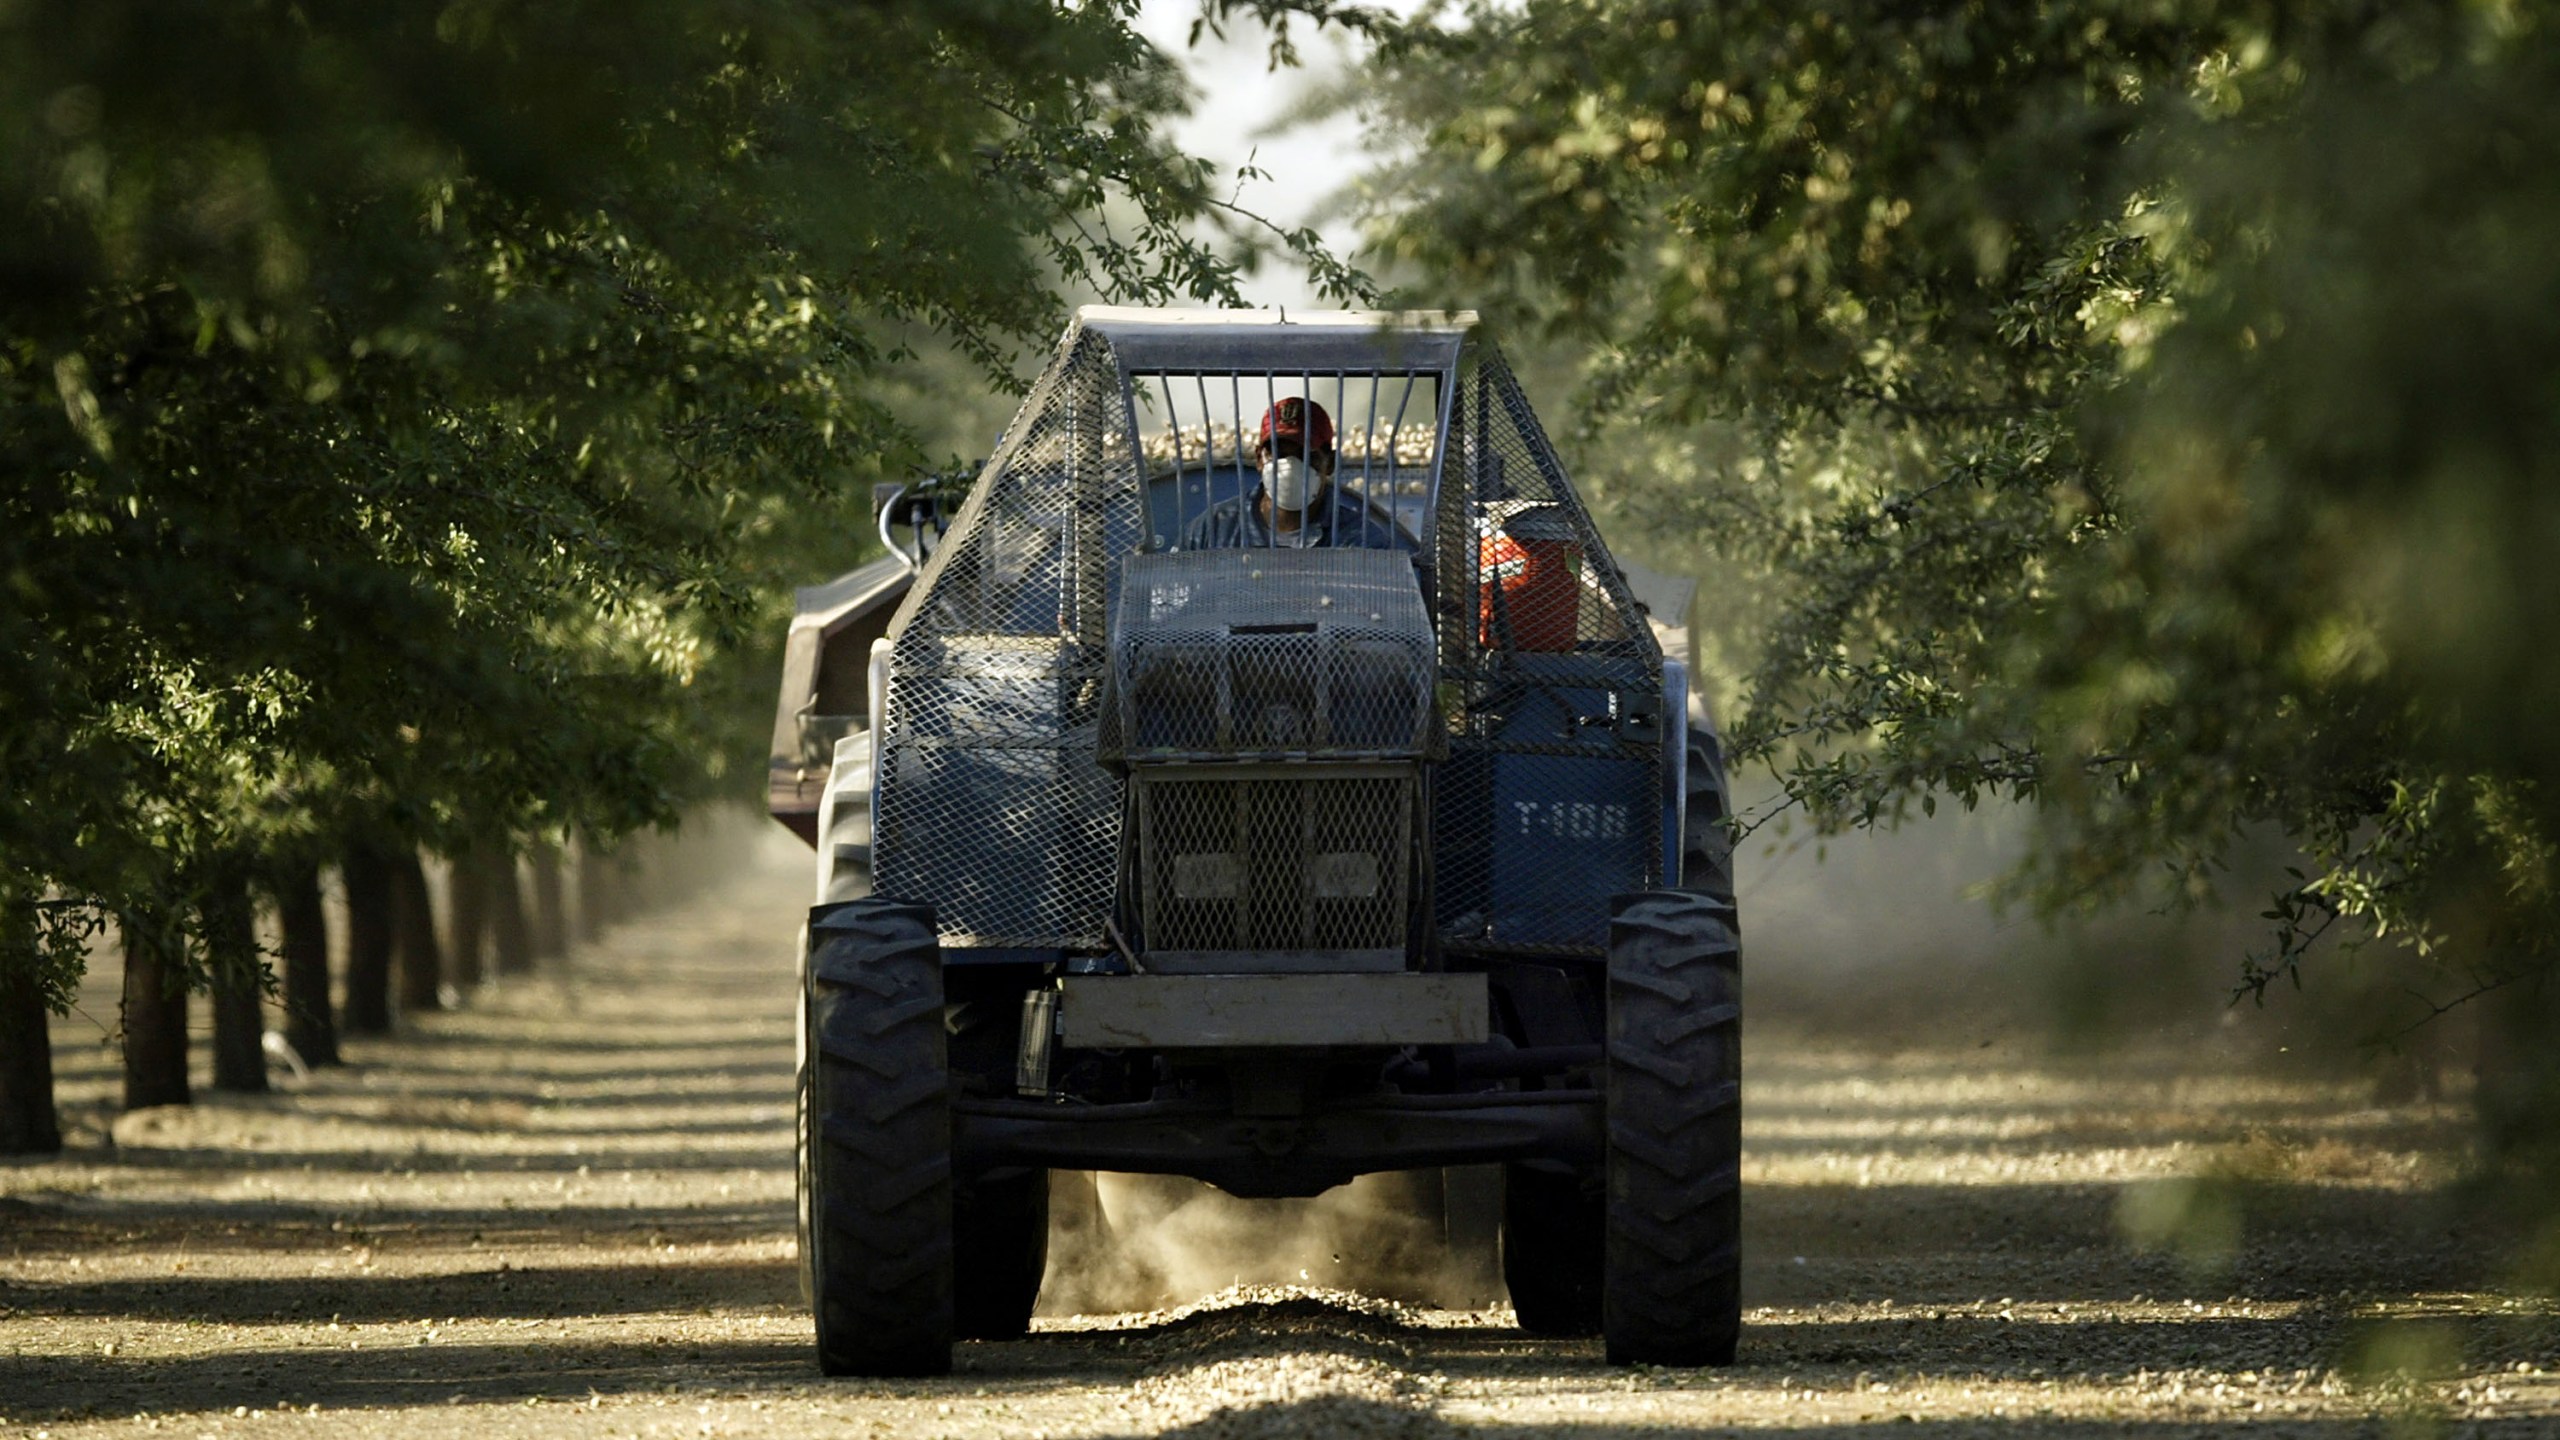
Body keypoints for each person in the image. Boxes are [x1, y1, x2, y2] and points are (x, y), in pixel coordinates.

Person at [1178, 397, 1415, 551]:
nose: (1290, 466)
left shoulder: (1359, 541)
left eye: (1305, 455)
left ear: (1329, 463)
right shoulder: (1215, 531)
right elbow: (1166, 607)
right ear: (1259, 458)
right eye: (1278, 453)